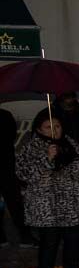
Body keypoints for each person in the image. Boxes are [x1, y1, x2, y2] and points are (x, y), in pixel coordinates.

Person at [15, 108, 79, 268]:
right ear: (39, 130)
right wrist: (47, 159)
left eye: (57, 126)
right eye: (48, 127)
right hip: (48, 207)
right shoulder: (32, 147)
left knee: (73, 245)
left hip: (72, 205)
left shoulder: (71, 143)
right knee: (49, 247)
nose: (54, 130)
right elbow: (23, 174)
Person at [0, 106, 35, 247]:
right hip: (6, 167)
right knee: (14, 204)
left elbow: (9, 138)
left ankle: (25, 236)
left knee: (15, 204)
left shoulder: (4, 116)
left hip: (6, 168)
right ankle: (5, 237)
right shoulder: (5, 115)